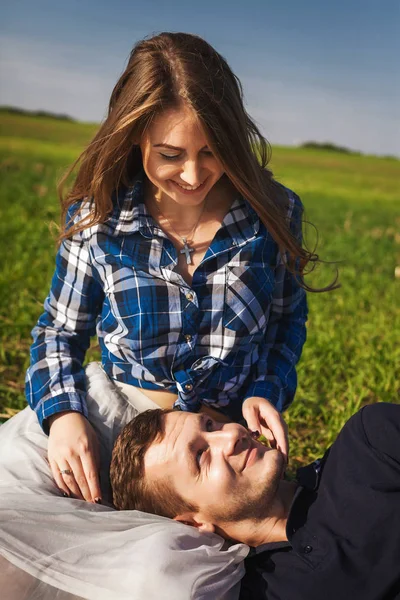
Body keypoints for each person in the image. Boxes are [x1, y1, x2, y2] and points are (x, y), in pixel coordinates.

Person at [24, 31, 336, 503]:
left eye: (213, 151)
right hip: (106, 424)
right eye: (171, 155)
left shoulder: (273, 211)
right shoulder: (98, 217)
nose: (193, 175)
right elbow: (59, 332)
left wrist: (265, 392)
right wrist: (64, 417)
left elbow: (285, 324)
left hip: (212, 459)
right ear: (134, 138)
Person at [110, 402, 400, 600]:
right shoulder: (260, 591)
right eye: (200, 456)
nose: (230, 436)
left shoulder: (369, 444)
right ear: (192, 522)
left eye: (211, 425)